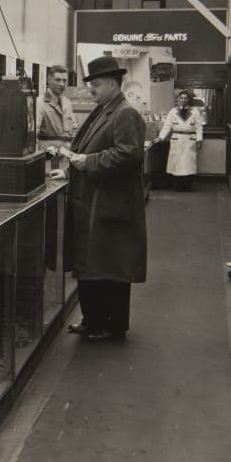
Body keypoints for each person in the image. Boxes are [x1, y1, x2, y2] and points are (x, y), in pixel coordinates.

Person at [59, 56, 147, 340]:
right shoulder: (105, 110)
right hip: (94, 200)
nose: (91, 90)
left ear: (111, 84)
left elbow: (129, 154)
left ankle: (111, 325)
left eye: (95, 85)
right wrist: (73, 169)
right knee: (93, 263)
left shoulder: (125, 113)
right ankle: (93, 319)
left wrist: (89, 162)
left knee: (110, 266)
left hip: (109, 204)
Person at [155, 89, 204, 191]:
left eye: (185, 98)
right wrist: (160, 137)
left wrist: (199, 140)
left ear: (188, 99)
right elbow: (166, 127)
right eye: (181, 98)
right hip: (177, 139)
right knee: (177, 163)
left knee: (188, 164)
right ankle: (177, 186)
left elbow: (199, 127)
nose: (183, 100)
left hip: (190, 140)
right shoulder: (173, 112)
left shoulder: (195, 112)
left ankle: (188, 186)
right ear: (178, 99)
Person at [36, 65, 77, 174]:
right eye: (57, 80)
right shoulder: (40, 103)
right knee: (52, 185)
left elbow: (73, 128)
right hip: (49, 159)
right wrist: (39, 158)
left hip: (66, 158)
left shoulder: (67, 102)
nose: (62, 84)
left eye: (64, 80)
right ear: (49, 79)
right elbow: (33, 134)